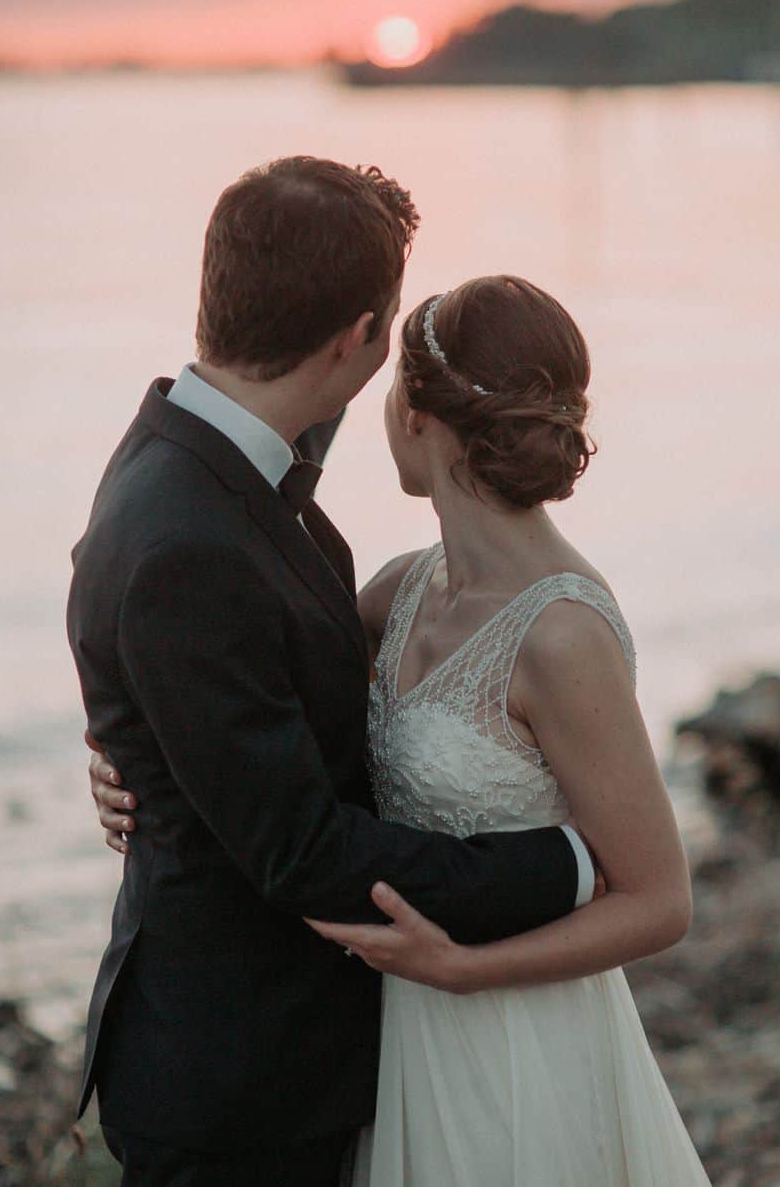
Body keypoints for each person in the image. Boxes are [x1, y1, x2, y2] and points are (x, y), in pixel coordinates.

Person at [92, 267, 713, 1183]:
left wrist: (464, 972)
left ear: (419, 416)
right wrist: (132, 765)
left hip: (518, 1035)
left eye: (389, 393)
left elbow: (660, 902)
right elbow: (246, 720)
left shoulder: (563, 634)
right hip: (390, 1033)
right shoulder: (398, 589)